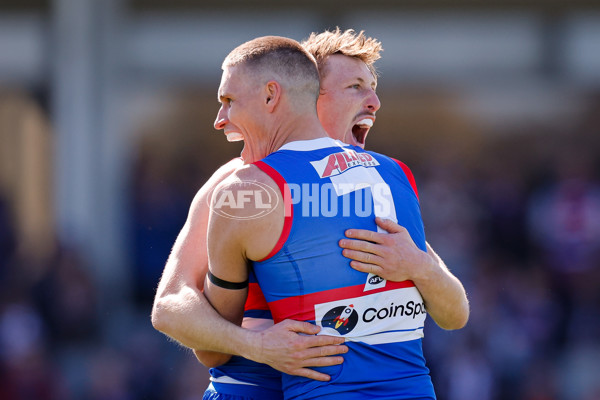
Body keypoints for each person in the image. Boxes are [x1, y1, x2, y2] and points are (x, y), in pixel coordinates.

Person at [151, 29, 469, 399]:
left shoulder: (375, 182)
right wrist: (255, 345)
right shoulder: (238, 186)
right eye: (355, 87)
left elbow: (455, 311)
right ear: (307, 95)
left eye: (371, 87)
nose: (374, 101)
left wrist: (421, 267)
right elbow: (170, 304)